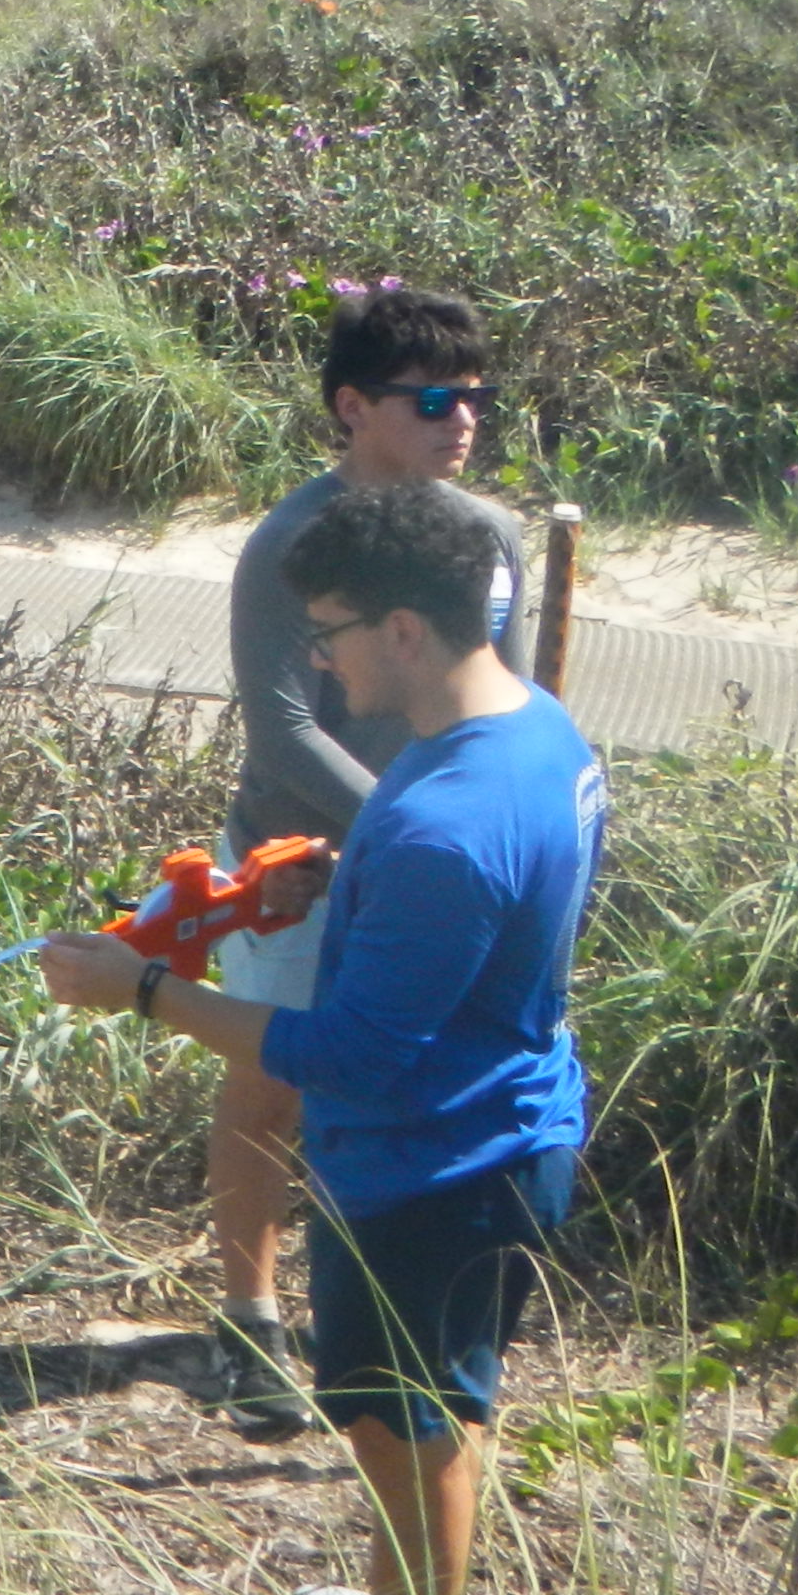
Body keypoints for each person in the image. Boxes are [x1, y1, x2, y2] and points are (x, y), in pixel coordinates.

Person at [41, 484, 603, 1595]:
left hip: (434, 1171)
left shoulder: (444, 823)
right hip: (492, 1131)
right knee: (429, 1419)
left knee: (413, 1437)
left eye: (333, 631)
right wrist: (340, 886)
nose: (318, 659)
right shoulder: (529, 734)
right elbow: (477, 914)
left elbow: (346, 1053)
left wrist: (143, 991)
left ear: (405, 628)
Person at [198, 288, 534, 1437]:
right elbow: (282, 730)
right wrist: (401, 825)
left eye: (477, 397)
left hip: (420, 864)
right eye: (432, 400)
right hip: (295, 863)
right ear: (351, 407)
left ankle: (390, 1317)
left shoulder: (488, 539)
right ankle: (247, 1319)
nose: (463, 419)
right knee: (273, 1082)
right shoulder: (290, 546)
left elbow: (505, 698)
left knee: (401, 1080)